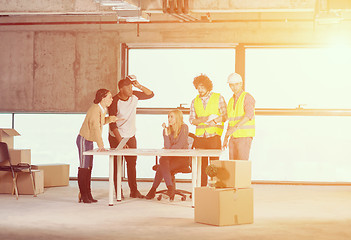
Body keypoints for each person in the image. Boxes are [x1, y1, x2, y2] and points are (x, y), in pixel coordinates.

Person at [108, 75, 154, 198]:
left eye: (131, 87)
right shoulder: (114, 101)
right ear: (121, 89)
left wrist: (138, 85)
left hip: (130, 135)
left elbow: (150, 94)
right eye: (128, 88)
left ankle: (134, 191)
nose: (131, 90)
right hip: (116, 137)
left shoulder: (134, 96)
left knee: (132, 164)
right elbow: (112, 125)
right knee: (117, 164)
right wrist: (122, 142)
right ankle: (118, 191)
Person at [76, 89, 118, 204]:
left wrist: (111, 119)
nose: (112, 99)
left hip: (89, 140)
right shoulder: (95, 109)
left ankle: (88, 194)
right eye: (109, 97)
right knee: (84, 167)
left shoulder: (102, 108)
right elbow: (95, 128)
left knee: (89, 167)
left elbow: (100, 122)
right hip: (84, 140)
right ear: (103, 98)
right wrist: (101, 145)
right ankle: (83, 195)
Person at [189, 74, 227, 186]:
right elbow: (191, 120)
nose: (200, 90)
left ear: (207, 86)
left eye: (202, 87)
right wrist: (204, 119)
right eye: (198, 87)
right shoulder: (194, 101)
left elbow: (225, 116)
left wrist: (214, 121)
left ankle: (216, 187)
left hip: (214, 136)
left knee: (214, 164)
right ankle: (202, 189)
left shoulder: (218, 97)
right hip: (200, 137)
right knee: (202, 165)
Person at [145, 109, 189, 201]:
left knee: (162, 165)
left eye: (171, 117)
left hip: (182, 159)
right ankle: (170, 188)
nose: (169, 119)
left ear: (177, 118)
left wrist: (168, 150)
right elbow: (167, 146)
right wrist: (165, 132)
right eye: (168, 116)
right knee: (163, 161)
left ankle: (153, 190)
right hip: (171, 158)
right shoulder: (167, 130)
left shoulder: (184, 127)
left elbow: (179, 145)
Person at [223, 73, 255, 160]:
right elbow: (231, 121)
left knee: (241, 165)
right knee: (233, 166)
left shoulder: (247, 97)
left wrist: (235, 128)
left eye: (236, 84)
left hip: (244, 137)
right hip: (233, 137)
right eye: (232, 85)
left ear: (241, 84)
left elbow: (249, 115)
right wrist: (226, 137)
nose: (234, 87)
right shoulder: (230, 101)